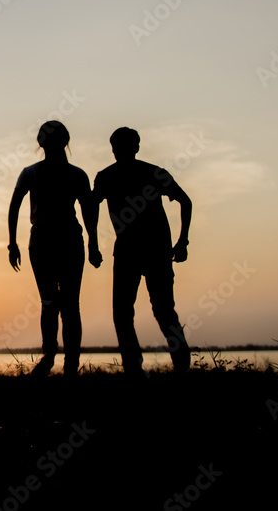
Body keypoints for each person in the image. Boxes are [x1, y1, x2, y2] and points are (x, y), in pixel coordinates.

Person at [89, 127, 191, 377]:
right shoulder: (114, 176)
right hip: (135, 250)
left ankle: (169, 366)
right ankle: (140, 368)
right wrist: (92, 243)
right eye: (117, 147)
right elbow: (92, 208)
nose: (118, 151)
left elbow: (185, 201)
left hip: (149, 250)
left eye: (121, 147)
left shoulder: (144, 173)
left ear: (133, 148)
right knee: (147, 310)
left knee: (149, 310)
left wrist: (183, 241)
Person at [8, 121, 101, 377]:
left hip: (52, 241)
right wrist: (12, 242)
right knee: (67, 304)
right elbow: (15, 205)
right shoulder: (70, 174)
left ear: (41, 142)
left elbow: (15, 205)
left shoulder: (39, 173)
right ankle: (61, 360)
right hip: (57, 241)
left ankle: (60, 359)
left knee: (53, 302)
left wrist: (12, 242)